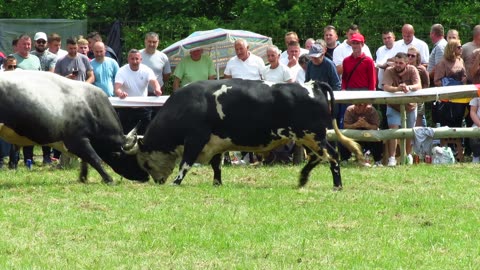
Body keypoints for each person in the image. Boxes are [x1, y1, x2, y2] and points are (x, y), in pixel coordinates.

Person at [383, 52, 422, 166]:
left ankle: (408, 155)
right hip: (393, 106)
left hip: (410, 106)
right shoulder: (389, 70)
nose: (398, 65)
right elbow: (385, 87)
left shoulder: (412, 70)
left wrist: (408, 87)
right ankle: (392, 158)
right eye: (396, 62)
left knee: (410, 131)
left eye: (400, 63)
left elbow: (418, 85)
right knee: (393, 131)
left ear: (406, 63)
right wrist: (398, 89)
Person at [114, 49, 162, 135]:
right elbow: (117, 88)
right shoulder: (121, 71)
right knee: (125, 134)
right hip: (126, 109)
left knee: (144, 134)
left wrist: (157, 89)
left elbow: (154, 82)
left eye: (137, 59)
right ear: (128, 59)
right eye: (132, 59)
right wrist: (120, 93)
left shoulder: (147, 70)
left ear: (141, 60)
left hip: (143, 108)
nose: (135, 61)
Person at [13, 34, 41, 167]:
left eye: (29, 44)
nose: (27, 46)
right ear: (17, 45)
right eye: (24, 44)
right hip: (17, 101)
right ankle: (14, 160)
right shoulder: (12, 59)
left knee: (31, 131)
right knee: (17, 131)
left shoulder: (35, 59)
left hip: (34, 100)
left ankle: (29, 158)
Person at [31, 31, 58, 164]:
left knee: (46, 126)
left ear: (46, 43)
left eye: (43, 42)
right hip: (31, 95)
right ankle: (28, 157)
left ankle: (47, 156)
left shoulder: (52, 57)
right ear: (35, 42)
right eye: (38, 41)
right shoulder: (29, 56)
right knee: (30, 125)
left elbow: (50, 75)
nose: (41, 44)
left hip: (47, 95)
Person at [433, 39, 467, 127]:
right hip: (447, 100)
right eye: (459, 47)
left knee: (458, 122)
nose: (461, 49)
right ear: (452, 49)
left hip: (460, 97)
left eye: (461, 46)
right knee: (447, 125)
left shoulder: (460, 60)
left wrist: (463, 79)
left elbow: (464, 75)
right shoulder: (443, 62)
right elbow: (437, 81)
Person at [0, 55, 20, 169]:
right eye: (10, 66)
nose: (12, 69)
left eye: (14, 66)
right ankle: (1, 162)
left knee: (16, 137)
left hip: (16, 112)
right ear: (4, 66)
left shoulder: (20, 78)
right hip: (3, 112)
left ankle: (14, 162)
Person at [407, 47, 429, 127]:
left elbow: (426, 83)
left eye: (413, 56)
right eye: (408, 55)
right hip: (406, 98)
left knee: (419, 120)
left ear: (417, 57)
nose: (410, 57)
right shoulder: (404, 67)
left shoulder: (422, 69)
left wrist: (423, 95)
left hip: (419, 98)